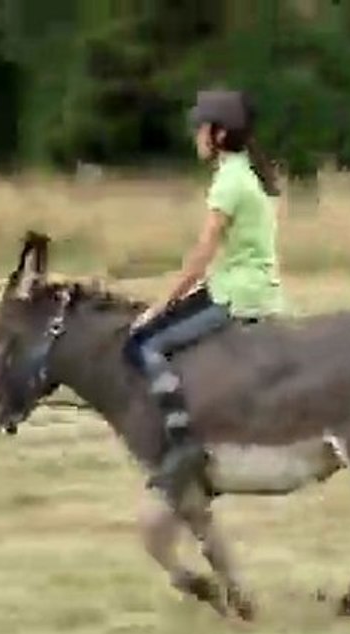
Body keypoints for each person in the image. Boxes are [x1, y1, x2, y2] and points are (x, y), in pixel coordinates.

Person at [126, 88, 285, 507]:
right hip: (239, 285)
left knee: (147, 343)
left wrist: (160, 306)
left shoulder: (228, 183)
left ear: (217, 134)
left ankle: (184, 448)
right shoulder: (242, 172)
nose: (195, 136)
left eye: (200, 129)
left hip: (239, 295)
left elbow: (201, 256)